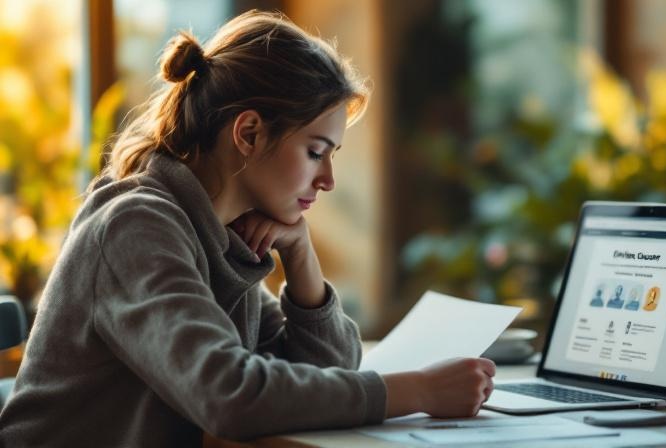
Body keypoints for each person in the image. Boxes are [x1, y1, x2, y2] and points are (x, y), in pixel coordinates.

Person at [0, 10, 495, 446]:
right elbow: (229, 394)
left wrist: (302, 261)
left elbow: (326, 376)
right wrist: (420, 390)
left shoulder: (213, 233)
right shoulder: (136, 226)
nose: (327, 180)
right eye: (315, 152)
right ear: (250, 133)